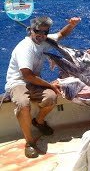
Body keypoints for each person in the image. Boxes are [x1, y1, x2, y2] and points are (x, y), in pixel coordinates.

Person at [4, 16, 81, 158]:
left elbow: (61, 34)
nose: (42, 35)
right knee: (23, 104)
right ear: (31, 30)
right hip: (18, 82)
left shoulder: (44, 40)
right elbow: (27, 75)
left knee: (51, 97)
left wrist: (71, 25)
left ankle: (38, 121)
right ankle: (29, 142)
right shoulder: (25, 48)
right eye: (38, 32)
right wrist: (50, 85)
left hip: (34, 81)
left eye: (45, 32)